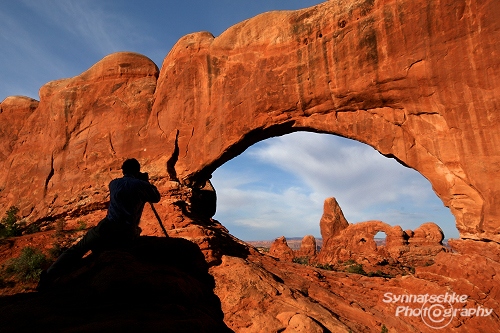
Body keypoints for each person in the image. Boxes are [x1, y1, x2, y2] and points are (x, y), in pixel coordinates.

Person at [38, 158, 161, 290]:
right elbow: (156, 197)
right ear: (137, 170)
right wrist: (146, 182)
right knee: (135, 232)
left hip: (107, 226)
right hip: (127, 231)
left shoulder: (114, 183)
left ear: (123, 171)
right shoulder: (140, 185)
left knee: (78, 248)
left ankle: (49, 275)